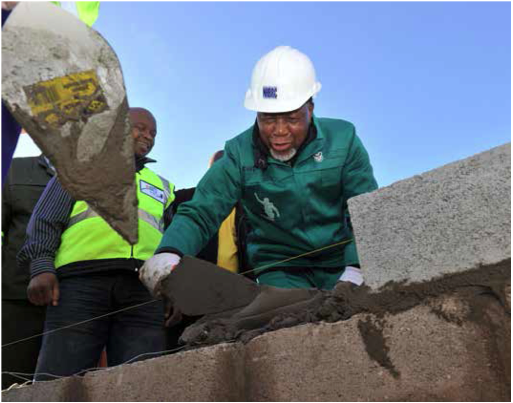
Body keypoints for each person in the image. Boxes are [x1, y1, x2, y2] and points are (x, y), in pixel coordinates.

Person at [140, 46, 378, 299]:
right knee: (288, 325)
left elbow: (364, 206)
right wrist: (170, 250)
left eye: (291, 118)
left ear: (310, 107)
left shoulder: (343, 138)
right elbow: (202, 209)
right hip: (280, 267)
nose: (279, 131)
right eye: (268, 119)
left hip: (341, 259)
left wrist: (357, 265)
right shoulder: (238, 153)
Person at [17, 107, 174, 380]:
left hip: (143, 291)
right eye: (140, 127)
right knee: (59, 378)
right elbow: (45, 219)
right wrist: (41, 266)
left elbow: (171, 240)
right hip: (80, 284)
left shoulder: (162, 186)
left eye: (153, 132)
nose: (147, 136)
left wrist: (174, 289)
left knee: (144, 381)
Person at [2, 154, 54, 389]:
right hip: (17, 297)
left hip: (75, 299)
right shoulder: (14, 170)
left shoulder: (97, 178)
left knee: (61, 383)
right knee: (9, 380)